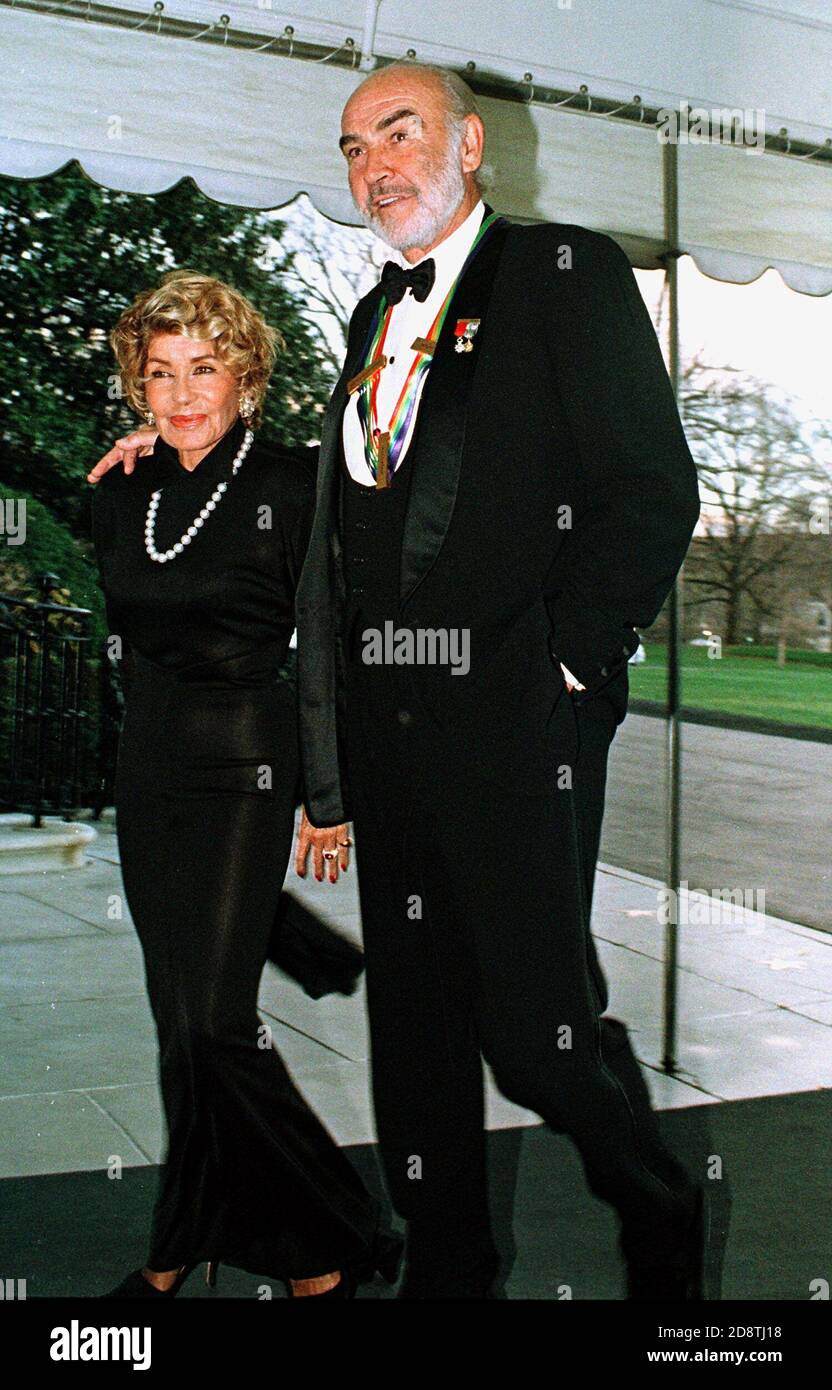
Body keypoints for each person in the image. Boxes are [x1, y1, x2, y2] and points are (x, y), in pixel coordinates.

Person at [89, 65, 706, 1301]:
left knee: (534, 1040)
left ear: (469, 145)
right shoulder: (374, 314)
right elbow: (346, 507)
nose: (373, 165)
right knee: (413, 1039)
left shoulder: (562, 273)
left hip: (517, 727)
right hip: (389, 734)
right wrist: (181, 436)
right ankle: (446, 1277)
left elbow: (650, 490)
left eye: (398, 132)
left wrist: (568, 665)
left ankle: (661, 1213)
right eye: (352, 146)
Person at [90, 270, 402, 1298]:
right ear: (137, 382)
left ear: (245, 376)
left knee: (216, 1022)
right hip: (150, 769)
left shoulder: (293, 482)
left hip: (246, 764)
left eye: (204, 369)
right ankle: (186, 1243)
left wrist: (327, 796)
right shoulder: (122, 487)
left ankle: (330, 1239)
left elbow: (329, 646)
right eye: (160, 372)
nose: (181, 394)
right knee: (179, 1022)